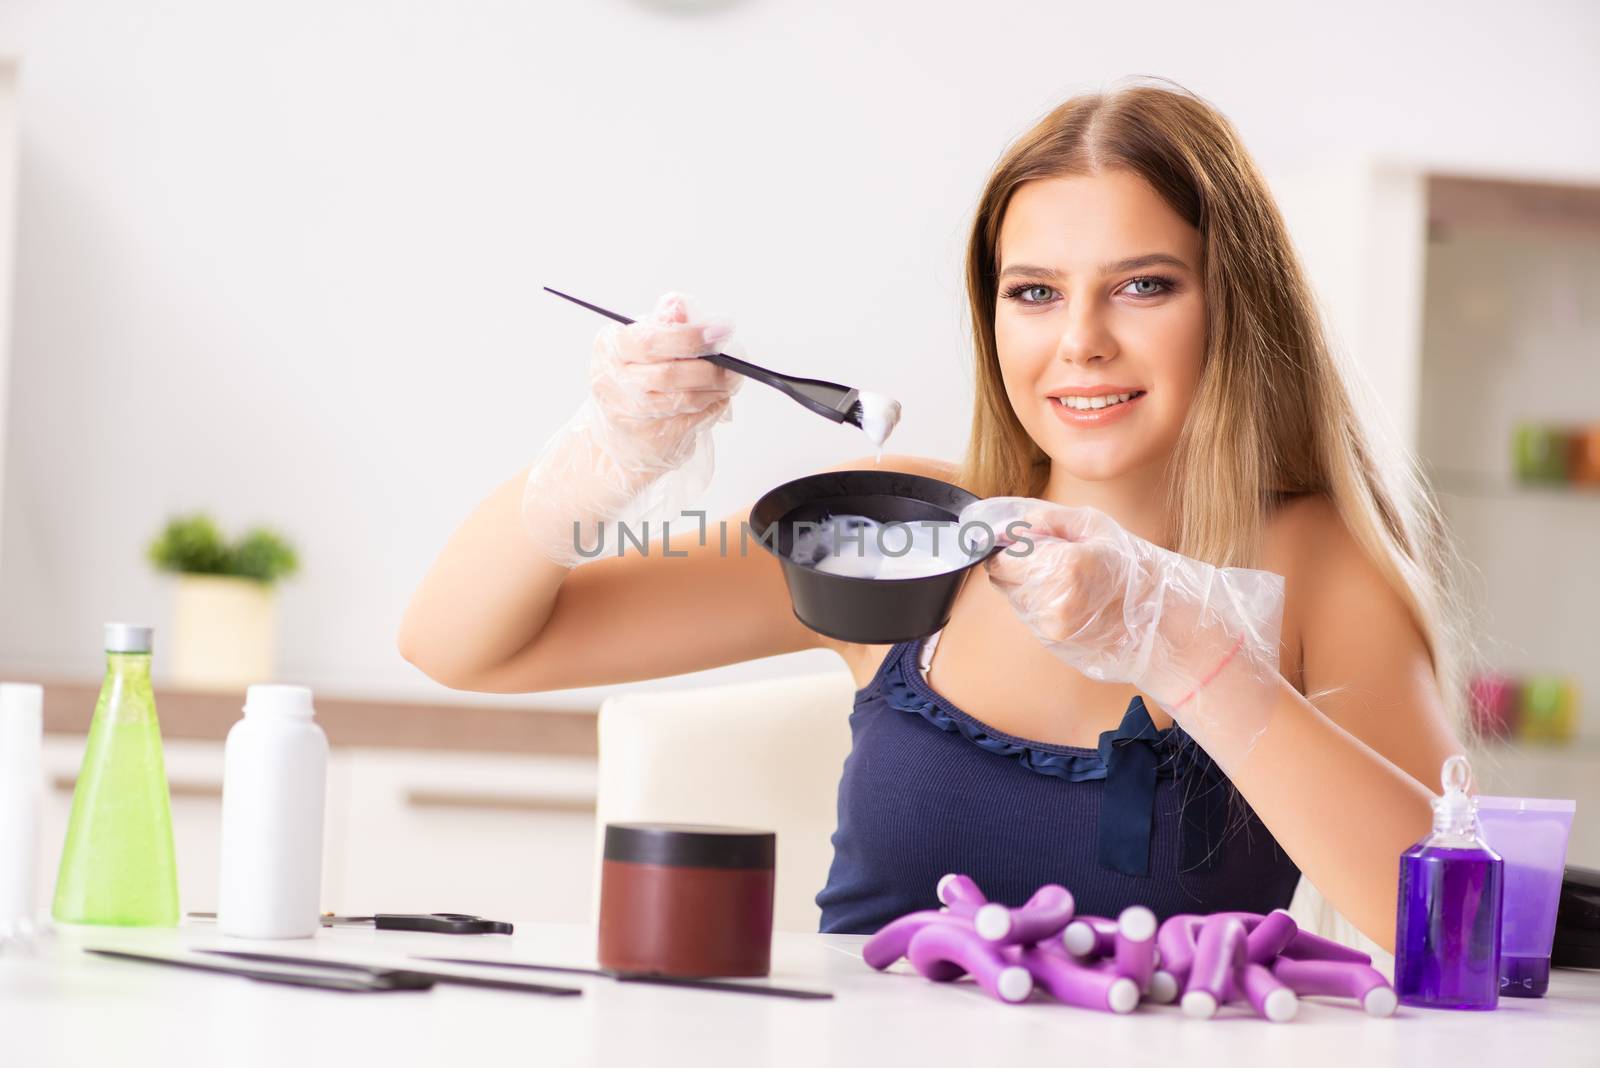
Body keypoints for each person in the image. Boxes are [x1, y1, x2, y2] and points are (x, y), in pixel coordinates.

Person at [398, 81, 1466, 950]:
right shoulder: (906, 529)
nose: (1080, 342)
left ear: (1233, 305)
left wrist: (1190, 653)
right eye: (1035, 293)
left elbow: (1443, 926)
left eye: (1142, 286)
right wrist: (593, 468)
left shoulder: (1314, 564)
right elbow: (462, 648)